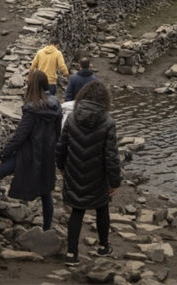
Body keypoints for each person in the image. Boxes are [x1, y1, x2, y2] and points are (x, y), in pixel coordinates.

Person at [0, 70, 62, 233]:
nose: (25, 82)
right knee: (46, 191)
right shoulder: (56, 105)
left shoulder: (31, 109)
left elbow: (19, 137)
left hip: (27, 156)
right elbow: (58, 133)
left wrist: (2, 157)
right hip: (46, 157)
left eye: (28, 81)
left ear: (32, 85)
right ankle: (47, 230)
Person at [56, 80, 121, 266]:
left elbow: (61, 146)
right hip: (98, 176)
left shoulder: (72, 117)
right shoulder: (108, 122)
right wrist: (114, 182)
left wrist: (61, 167)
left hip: (75, 171)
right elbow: (112, 156)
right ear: (104, 100)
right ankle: (103, 246)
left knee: (77, 211)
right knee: (102, 209)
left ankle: (71, 254)